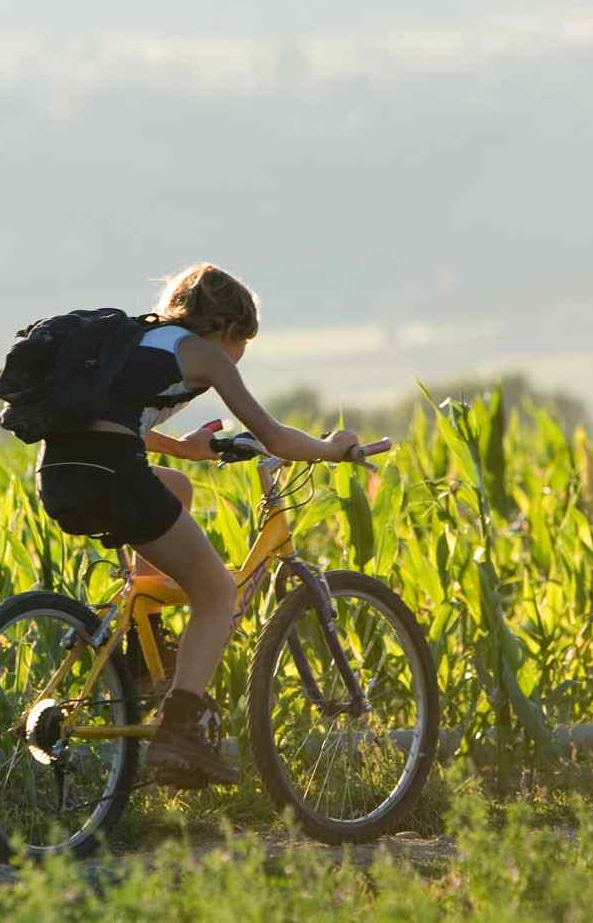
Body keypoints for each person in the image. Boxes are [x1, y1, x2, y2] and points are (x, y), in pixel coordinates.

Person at [35, 263, 360, 786]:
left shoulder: (136, 339)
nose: (239, 353)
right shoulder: (204, 353)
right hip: (114, 475)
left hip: (59, 475)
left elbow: (111, 425)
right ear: (230, 329)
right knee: (215, 593)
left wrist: (184, 449)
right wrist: (332, 449)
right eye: (244, 342)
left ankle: (142, 644)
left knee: (177, 488)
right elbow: (274, 437)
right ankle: (180, 731)